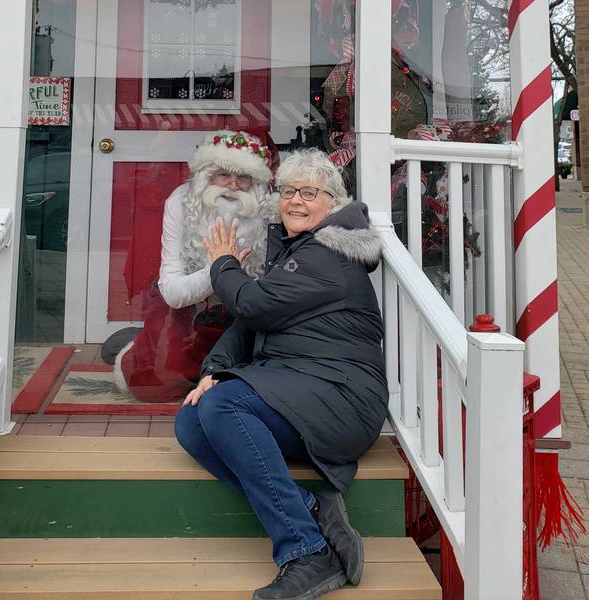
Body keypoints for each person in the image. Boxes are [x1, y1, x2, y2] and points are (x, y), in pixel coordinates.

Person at [174, 148, 388, 600]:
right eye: (288, 191)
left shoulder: (327, 255)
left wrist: (222, 261)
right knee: (191, 422)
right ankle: (313, 509)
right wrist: (213, 368)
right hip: (303, 387)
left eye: (309, 193)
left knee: (225, 404)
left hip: (343, 400)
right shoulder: (299, 249)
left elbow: (250, 304)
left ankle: (307, 550)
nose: (294, 200)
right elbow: (251, 321)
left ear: (334, 202)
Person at [114, 131, 276, 403]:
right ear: (206, 177)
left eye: (243, 178)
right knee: (157, 383)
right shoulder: (180, 201)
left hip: (247, 314)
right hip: (190, 310)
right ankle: (139, 348)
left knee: (258, 383)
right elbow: (173, 293)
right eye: (223, 175)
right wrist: (221, 266)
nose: (233, 186)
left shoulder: (270, 209)